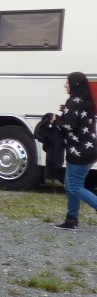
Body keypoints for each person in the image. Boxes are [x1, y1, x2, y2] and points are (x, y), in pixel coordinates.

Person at [52, 71, 97, 229]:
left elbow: (68, 125)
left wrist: (55, 121)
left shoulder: (73, 101)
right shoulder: (86, 101)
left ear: (74, 84)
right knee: (69, 184)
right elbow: (77, 121)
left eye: (67, 82)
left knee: (74, 186)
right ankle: (71, 220)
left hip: (79, 152)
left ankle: (73, 218)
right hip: (88, 150)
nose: (65, 85)